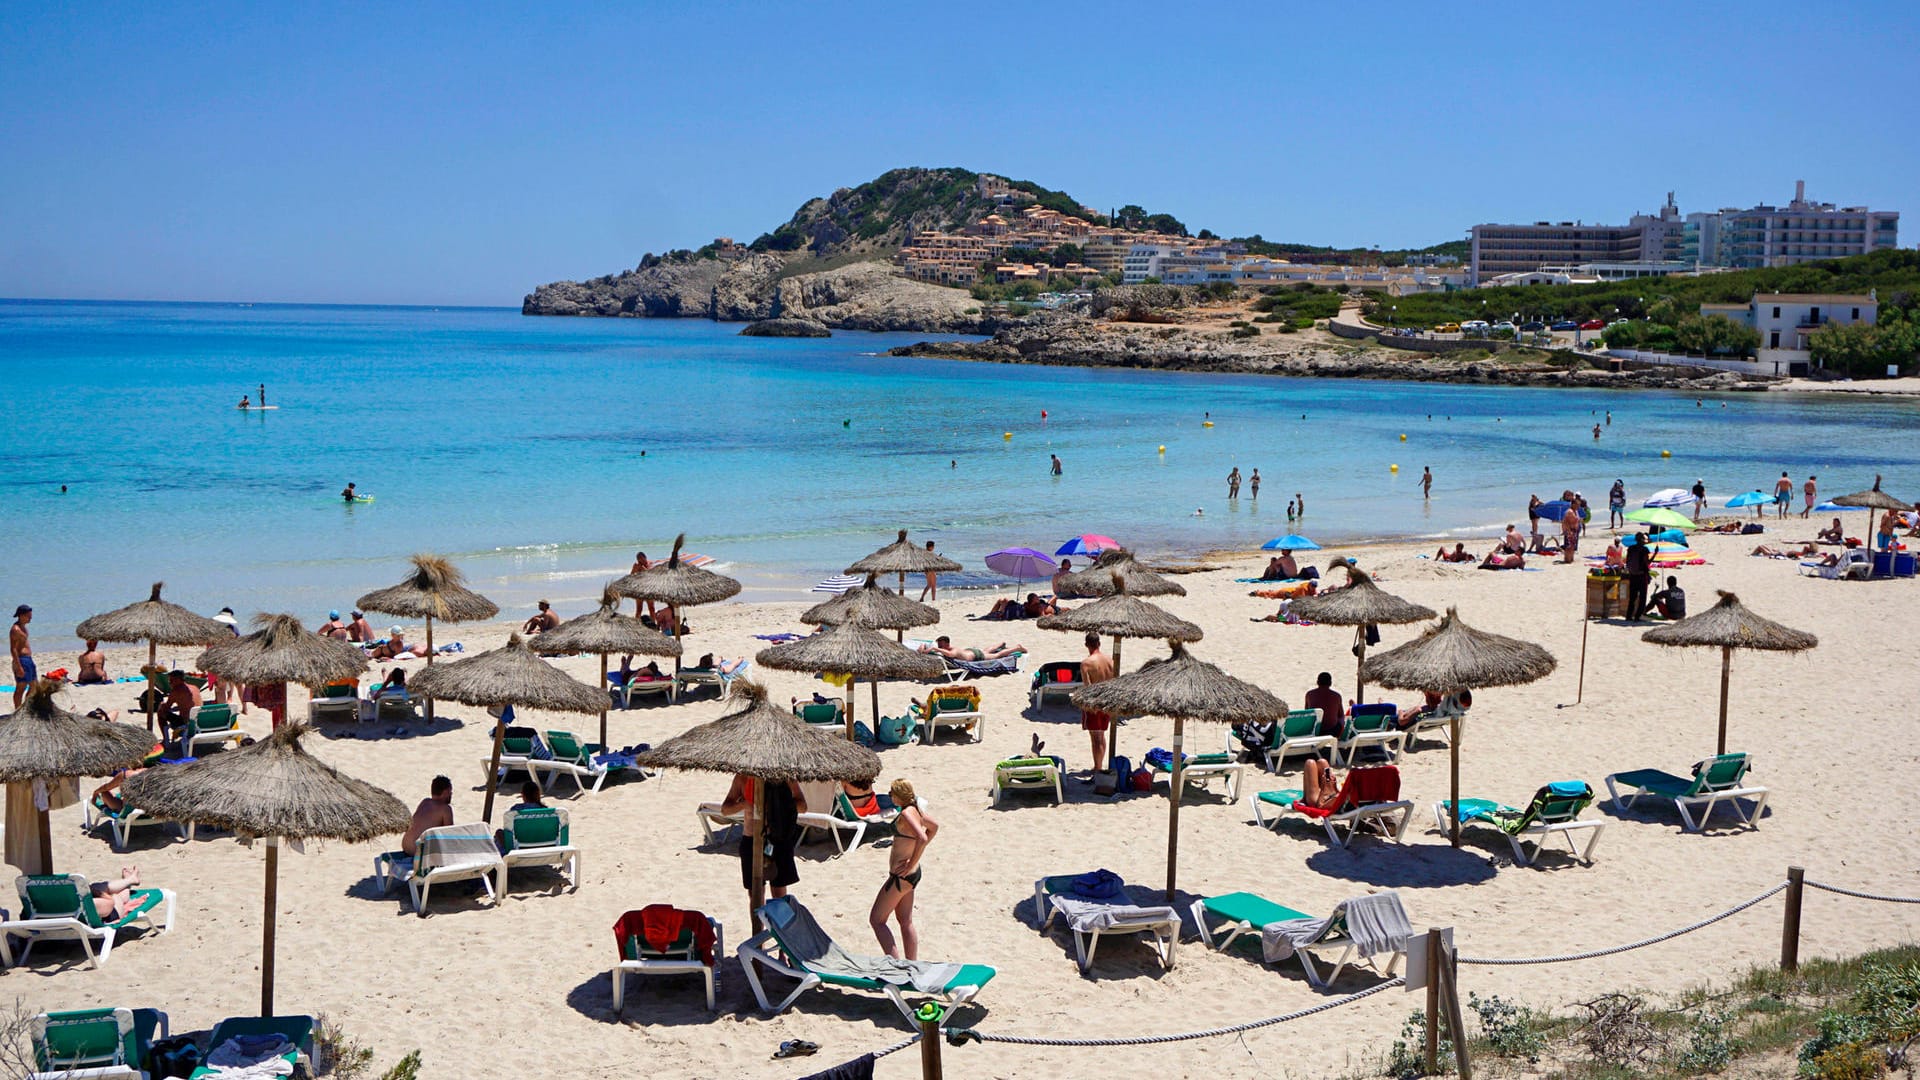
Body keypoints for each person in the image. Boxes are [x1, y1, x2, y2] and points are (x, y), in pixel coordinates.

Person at [870, 779, 936, 960]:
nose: (890, 796)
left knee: (876, 920)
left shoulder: (907, 813)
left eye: (892, 793)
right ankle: (912, 965)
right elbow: (934, 827)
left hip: (902, 876)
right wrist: (913, 861)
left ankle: (896, 965)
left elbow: (922, 837)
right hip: (911, 875)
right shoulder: (915, 810)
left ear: (899, 795)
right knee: (905, 921)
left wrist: (911, 861)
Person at [719, 773, 805, 902]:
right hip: (751, 838)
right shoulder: (742, 777)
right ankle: (757, 922)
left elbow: (803, 807)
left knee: (779, 892)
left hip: (778, 837)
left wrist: (782, 803)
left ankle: (778, 922)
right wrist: (744, 804)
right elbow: (725, 810)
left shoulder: (785, 776)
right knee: (755, 893)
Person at [1078, 632, 1115, 771]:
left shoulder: (1086, 663)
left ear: (1086, 645)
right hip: (1107, 701)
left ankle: (1098, 768)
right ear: (1099, 643)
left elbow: (1088, 687)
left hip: (1093, 703)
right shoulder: (1110, 661)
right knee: (1102, 735)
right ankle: (1099, 765)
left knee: (1095, 738)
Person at [400, 776, 455, 856]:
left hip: (406, 845)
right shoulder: (445, 809)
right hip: (416, 851)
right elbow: (449, 836)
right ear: (445, 792)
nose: (451, 794)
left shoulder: (425, 802)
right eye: (450, 791)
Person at [1303, 671, 1346, 740]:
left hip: (1315, 732)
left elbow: (1307, 714)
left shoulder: (1309, 694)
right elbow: (1341, 715)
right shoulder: (1337, 696)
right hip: (1333, 732)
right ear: (1330, 683)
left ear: (1317, 682)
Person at [1624, 533, 1653, 621]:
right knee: (1642, 598)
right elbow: (1647, 563)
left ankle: (1629, 616)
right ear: (1641, 540)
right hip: (1641, 576)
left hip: (1632, 575)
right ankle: (1637, 616)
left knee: (1632, 597)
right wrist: (1655, 554)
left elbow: (1627, 561)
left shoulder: (1631, 548)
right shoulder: (1644, 550)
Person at [924, 637, 1022, 662]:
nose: (940, 647)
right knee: (986, 650)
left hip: (975, 655)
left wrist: (935, 648)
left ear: (946, 643)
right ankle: (1001, 643)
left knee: (997, 655)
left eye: (941, 645)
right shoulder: (951, 648)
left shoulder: (953, 650)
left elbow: (950, 655)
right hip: (971, 651)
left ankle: (1017, 648)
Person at [10, 605, 32, 707]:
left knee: (34, 686)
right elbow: (13, 648)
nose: (31, 617)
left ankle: (25, 709)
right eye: (28, 615)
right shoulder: (15, 629)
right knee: (21, 687)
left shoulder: (24, 627)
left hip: (28, 659)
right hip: (21, 660)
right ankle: (18, 710)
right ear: (22, 615)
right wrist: (19, 666)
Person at [628, 552, 655, 619]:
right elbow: (631, 577)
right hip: (639, 589)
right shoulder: (636, 566)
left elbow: (652, 575)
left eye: (642, 559)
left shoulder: (650, 564)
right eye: (639, 560)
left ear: (645, 558)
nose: (641, 561)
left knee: (651, 608)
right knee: (639, 609)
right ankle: (637, 625)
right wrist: (635, 569)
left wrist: (643, 568)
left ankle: (654, 624)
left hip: (649, 589)